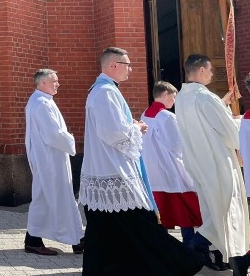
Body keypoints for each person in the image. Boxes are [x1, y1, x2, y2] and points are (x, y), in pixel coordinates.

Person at [79, 47, 202, 275]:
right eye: (127, 65)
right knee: (142, 227)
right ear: (114, 65)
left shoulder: (103, 90)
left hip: (107, 171)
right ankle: (181, 263)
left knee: (106, 231)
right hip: (115, 172)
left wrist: (133, 128)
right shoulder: (105, 92)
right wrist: (137, 128)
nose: (130, 69)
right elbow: (112, 132)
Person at [175, 54, 250, 274]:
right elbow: (229, 133)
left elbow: (209, 123)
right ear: (199, 71)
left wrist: (223, 105)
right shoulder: (206, 98)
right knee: (227, 210)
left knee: (212, 210)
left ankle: (221, 257)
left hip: (198, 162)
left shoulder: (182, 98)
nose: (211, 73)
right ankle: (200, 248)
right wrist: (233, 120)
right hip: (218, 162)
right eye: (209, 70)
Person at [24, 69, 84, 256]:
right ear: (42, 83)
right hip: (50, 159)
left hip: (48, 157)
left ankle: (35, 239)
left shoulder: (40, 100)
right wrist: (71, 141)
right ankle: (75, 240)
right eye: (54, 81)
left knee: (47, 197)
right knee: (55, 197)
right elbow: (52, 135)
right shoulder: (42, 103)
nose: (58, 84)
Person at [140, 82, 205, 250]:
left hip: (153, 171)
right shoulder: (167, 116)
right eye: (173, 96)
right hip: (172, 171)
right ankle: (190, 248)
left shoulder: (145, 114)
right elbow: (176, 145)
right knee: (187, 213)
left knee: (161, 214)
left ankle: (163, 249)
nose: (174, 101)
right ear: (166, 94)